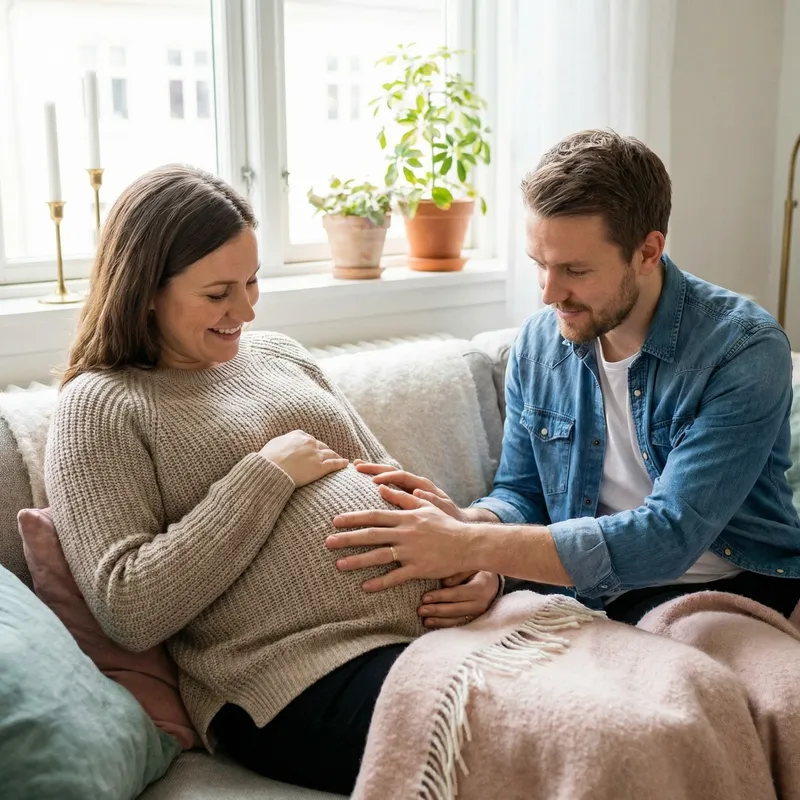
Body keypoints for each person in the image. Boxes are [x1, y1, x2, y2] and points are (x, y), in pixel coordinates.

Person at [43, 164, 500, 795]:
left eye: (253, 282)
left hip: (429, 630)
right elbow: (128, 605)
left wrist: (473, 563)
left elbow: (397, 483)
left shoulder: (280, 355)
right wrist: (264, 475)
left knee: (625, 696)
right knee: (539, 729)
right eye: (218, 292)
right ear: (145, 288)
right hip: (289, 681)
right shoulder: (103, 405)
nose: (247, 308)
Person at [326, 129, 800, 625]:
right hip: (591, 590)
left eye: (574, 269)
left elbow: (667, 538)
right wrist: (474, 532)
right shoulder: (538, 344)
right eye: (540, 264)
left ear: (647, 252)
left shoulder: (743, 350)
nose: (550, 293)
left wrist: (472, 544)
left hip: (729, 585)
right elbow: (521, 492)